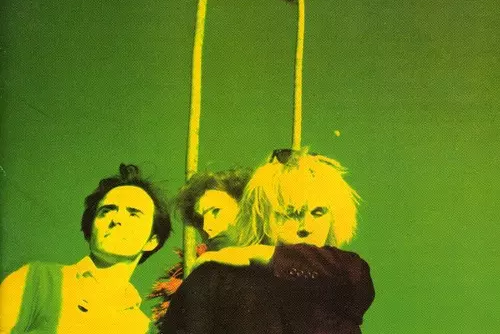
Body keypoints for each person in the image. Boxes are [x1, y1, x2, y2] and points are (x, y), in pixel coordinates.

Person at [161, 149, 375, 334]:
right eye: (291, 213)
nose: (307, 227)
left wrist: (259, 253)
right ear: (262, 217)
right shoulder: (215, 278)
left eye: (318, 213)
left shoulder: (341, 275)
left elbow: (355, 274)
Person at [0, 164, 171, 333]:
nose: (117, 219)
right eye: (106, 211)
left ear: (152, 241)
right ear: (91, 228)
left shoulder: (143, 328)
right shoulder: (37, 280)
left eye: (133, 214)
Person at [149, 168, 252, 327]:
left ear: (245, 208)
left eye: (216, 211)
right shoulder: (198, 285)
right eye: (199, 221)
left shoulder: (284, 265)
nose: (206, 227)